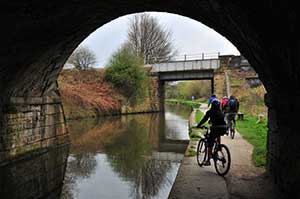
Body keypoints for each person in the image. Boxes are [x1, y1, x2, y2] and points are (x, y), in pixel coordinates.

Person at [197, 99, 227, 166]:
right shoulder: (220, 111)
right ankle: (219, 146)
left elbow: (204, 119)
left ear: (212, 105)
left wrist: (198, 125)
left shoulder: (210, 112)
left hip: (215, 128)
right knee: (217, 134)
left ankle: (208, 161)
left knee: (210, 144)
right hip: (224, 128)